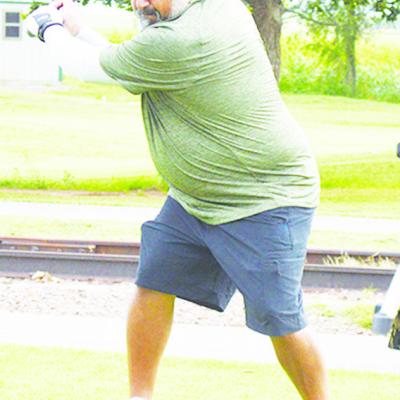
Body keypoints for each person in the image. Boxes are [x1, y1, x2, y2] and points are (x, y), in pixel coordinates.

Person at [26, 0, 329, 399]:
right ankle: (140, 396)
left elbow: (91, 68)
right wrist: (79, 31)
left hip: (265, 197)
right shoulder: (205, 13)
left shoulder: (190, 35)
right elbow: (131, 64)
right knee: (153, 282)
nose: (140, 3)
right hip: (194, 197)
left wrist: (48, 26)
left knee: (280, 318)